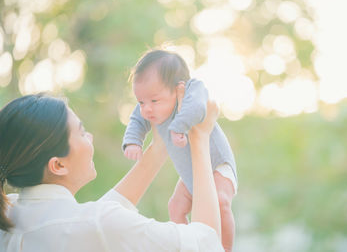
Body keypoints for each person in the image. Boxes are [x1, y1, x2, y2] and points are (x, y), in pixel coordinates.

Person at [0, 92, 224, 251]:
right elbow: (206, 242)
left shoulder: (9, 214)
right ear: (58, 165)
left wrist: (159, 147)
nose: (91, 137)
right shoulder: (97, 224)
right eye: (82, 132)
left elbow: (92, 222)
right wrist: (200, 137)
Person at [122, 49, 237, 251]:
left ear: (177, 89)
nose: (146, 108)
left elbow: (199, 107)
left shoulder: (193, 89)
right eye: (141, 102)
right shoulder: (150, 108)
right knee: (175, 207)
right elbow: (136, 120)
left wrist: (179, 125)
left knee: (220, 201)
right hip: (190, 174)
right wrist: (133, 141)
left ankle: (224, 248)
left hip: (217, 165)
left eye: (154, 101)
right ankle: (191, 245)